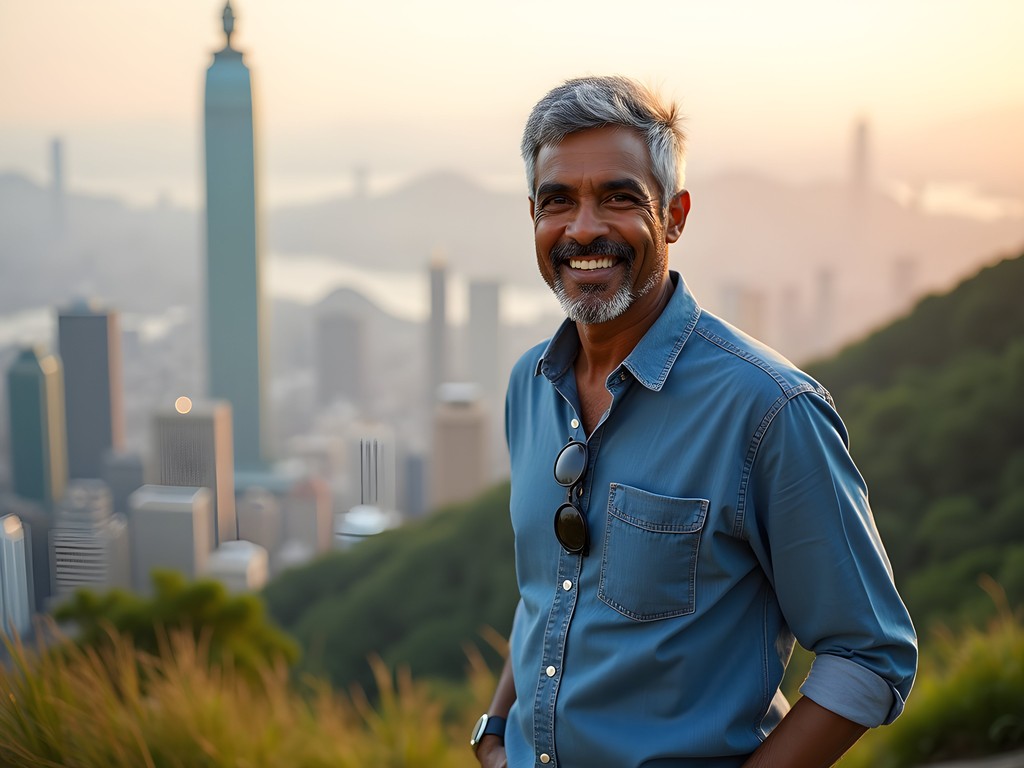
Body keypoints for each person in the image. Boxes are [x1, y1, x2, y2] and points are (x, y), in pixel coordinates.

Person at [469, 76, 917, 768]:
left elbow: (870, 654)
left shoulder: (768, 411)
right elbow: (550, 590)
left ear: (674, 215)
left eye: (619, 197)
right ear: (533, 216)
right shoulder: (530, 386)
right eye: (559, 202)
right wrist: (495, 733)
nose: (583, 228)